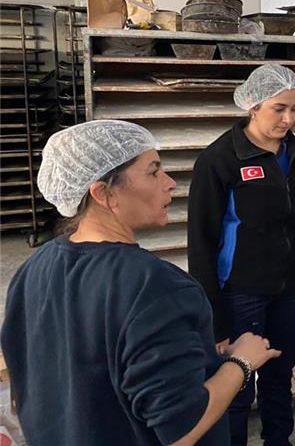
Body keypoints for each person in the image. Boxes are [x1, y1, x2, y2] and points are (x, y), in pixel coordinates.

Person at [1, 120, 280, 446]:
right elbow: (182, 430)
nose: (170, 183)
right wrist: (241, 362)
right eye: (153, 172)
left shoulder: (32, 270)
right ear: (103, 193)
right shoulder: (155, 288)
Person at [188, 63, 295, 446]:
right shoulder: (220, 160)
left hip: (294, 289)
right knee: (237, 385)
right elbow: (201, 242)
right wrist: (215, 319)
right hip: (242, 292)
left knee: (280, 376)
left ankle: (279, 441)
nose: (289, 119)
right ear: (253, 106)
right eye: (279, 109)